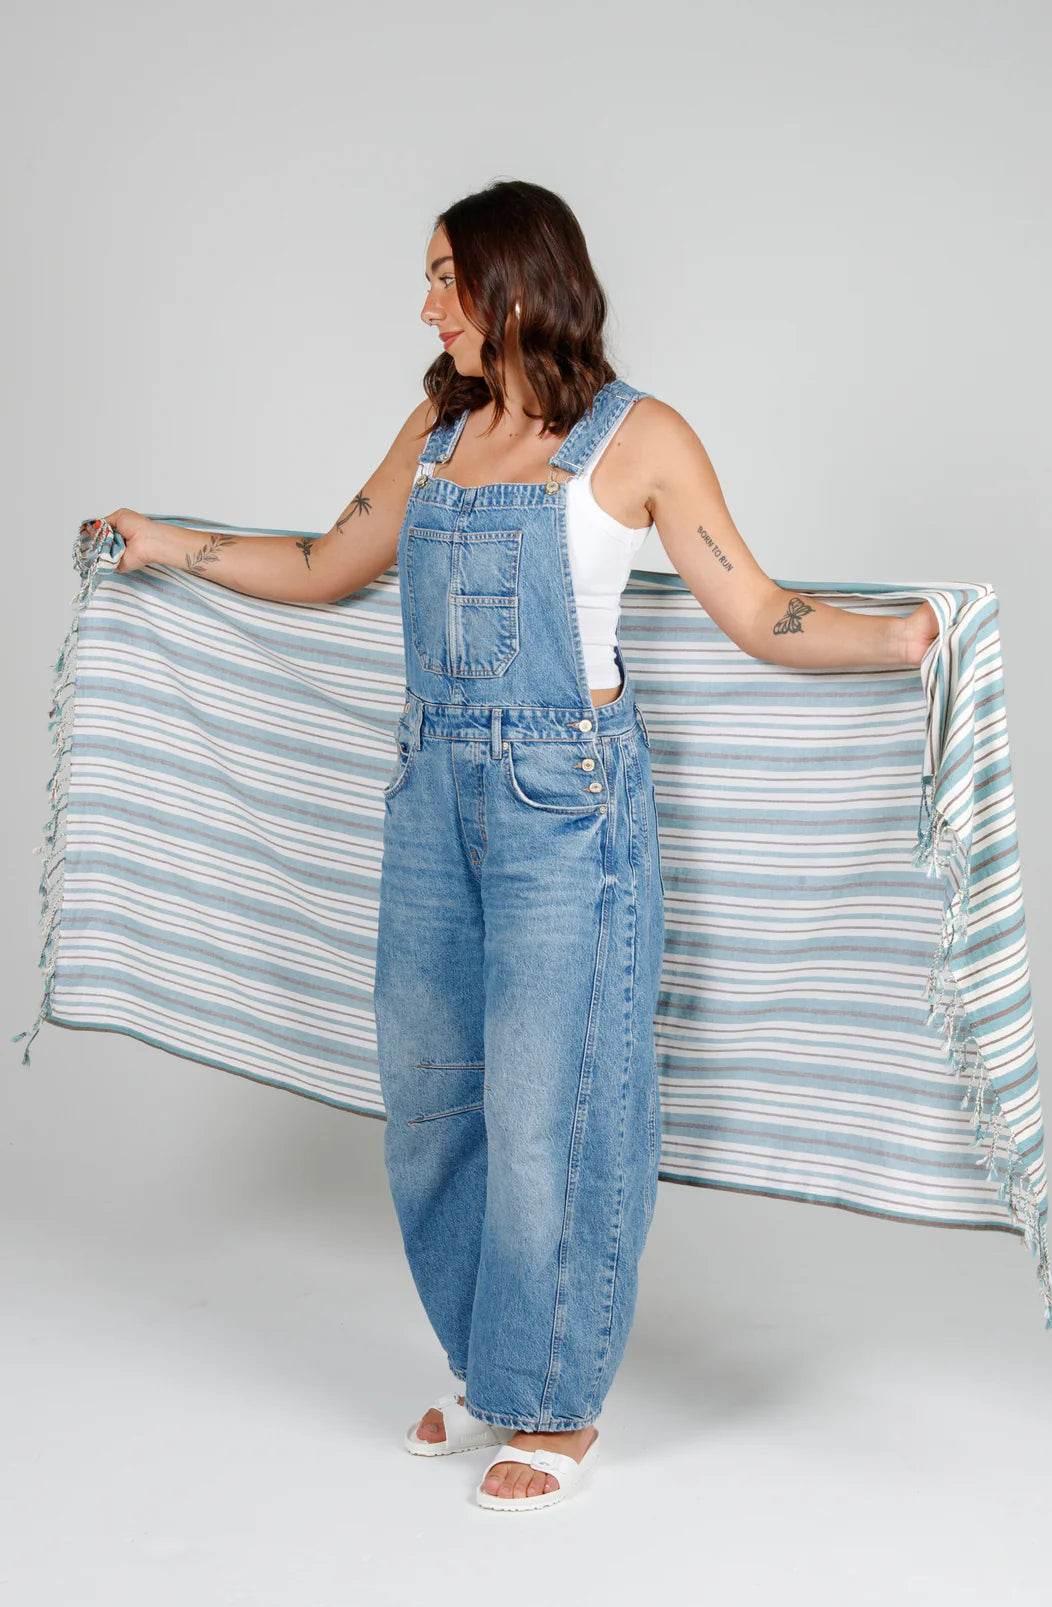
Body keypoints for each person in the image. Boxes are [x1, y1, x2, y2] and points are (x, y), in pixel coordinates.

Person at [105, 179, 938, 1512]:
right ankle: (494, 1368)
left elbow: (761, 608)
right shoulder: (438, 432)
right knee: (435, 1100)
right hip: (432, 797)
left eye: (446, 276)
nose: (426, 302)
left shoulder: (638, 437)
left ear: (514, 284)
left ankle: (554, 1407)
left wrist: (901, 640)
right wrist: (171, 546)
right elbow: (328, 560)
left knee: (556, 1111)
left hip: (568, 807)